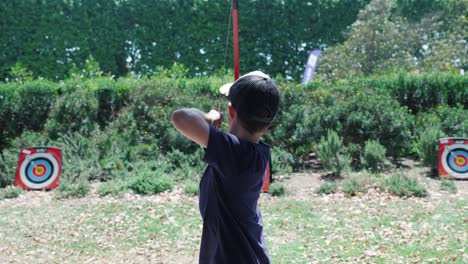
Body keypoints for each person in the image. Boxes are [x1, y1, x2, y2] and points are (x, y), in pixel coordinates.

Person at [171, 71, 280, 264]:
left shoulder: (233, 153)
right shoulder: (254, 154)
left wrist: (210, 117)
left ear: (231, 112)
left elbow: (180, 117)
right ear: (269, 124)